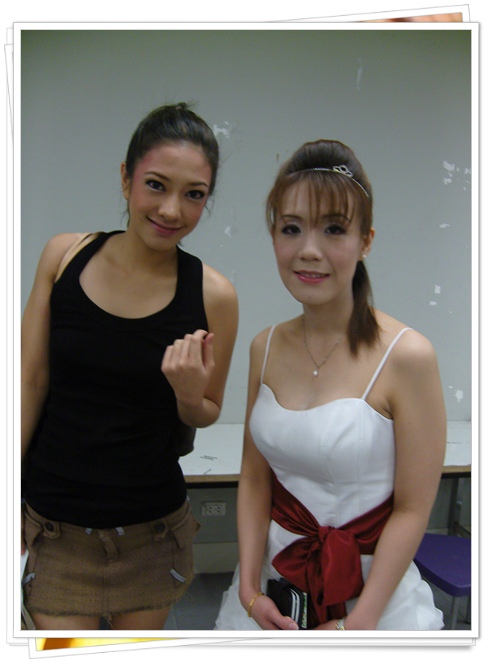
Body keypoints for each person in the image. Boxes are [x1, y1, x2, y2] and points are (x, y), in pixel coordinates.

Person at [21, 103, 238, 630]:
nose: (171, 210)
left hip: (151, 533)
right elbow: (28, 382)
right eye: (156, 185)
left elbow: (207, 410)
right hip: (54, 527)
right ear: (126, 179)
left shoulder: (214, 294)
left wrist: (189, 394)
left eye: (194, 195)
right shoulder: (63, 257)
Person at [215, 139, 446, 631]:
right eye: (291, 228)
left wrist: (356, 625)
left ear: (366, 241)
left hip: (373, 599)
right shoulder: (264, 346)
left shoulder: (407, 356)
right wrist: (250, 591)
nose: (309, 250)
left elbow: (412, 509)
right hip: (273, 586)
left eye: (334, 229)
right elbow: (255, 478)